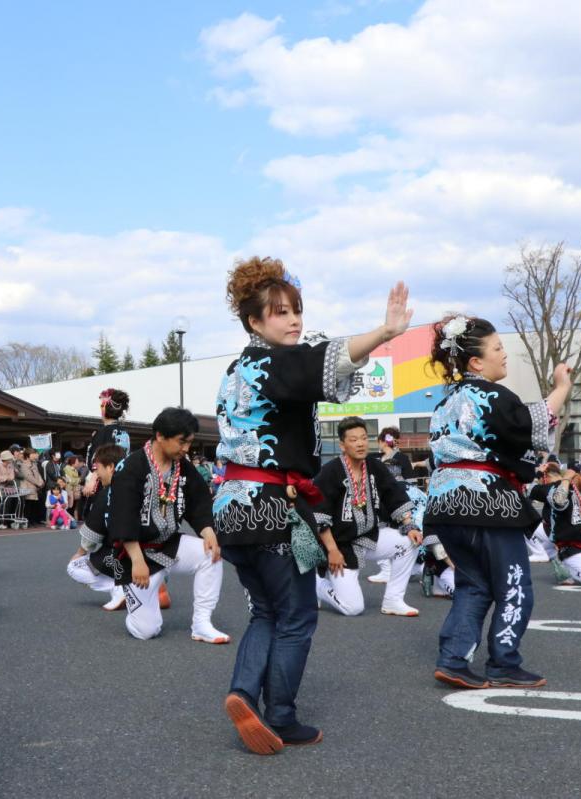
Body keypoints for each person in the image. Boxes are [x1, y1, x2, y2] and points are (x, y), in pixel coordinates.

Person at [213, 256, 412, 755]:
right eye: (280, 312)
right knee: (297, 614)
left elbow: (313, 365)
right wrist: (385, 332)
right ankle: (280, 714)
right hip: (271, 507)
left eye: (296, 310)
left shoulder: (236, 371)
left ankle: (243, 693)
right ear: (254, 322)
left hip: (233, 506)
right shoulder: (269, 363)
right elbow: (328, 359)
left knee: (265, 611)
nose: (294, 320)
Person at [426, 314, 570, 690]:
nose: (504, 355)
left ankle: (454, 659)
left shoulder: (445, 403)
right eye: (497, 348)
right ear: (475, 361)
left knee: (473, 584)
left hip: (445, 502)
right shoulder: (491, 395)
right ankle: (503, 662)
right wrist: (561, 387)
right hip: (486, 502)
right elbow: (529, 425)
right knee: (515, 583)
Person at [106, 407, 228, 644]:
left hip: (168, 544)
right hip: (135, 554)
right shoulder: (131, 468)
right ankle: (134, 601)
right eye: (182, 442)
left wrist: (207, 530)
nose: (186, 449)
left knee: (211, 554)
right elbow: (123, 515)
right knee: (147, 631)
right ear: (160, 436)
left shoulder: (182, 467)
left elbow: (199, 501)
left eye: (189, 442)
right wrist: (138, 560)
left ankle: (202, 623)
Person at [313, 417, 422, 617]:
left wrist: (410, 525)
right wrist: (332, 551)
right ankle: (318, 585)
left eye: (364, 438)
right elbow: (319, 515)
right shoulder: (330, 472)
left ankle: (393, 600)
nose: (360, 443)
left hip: (368, 537)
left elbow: (393, 495)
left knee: (409, 542)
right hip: (340, 546)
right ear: (342, 445)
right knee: (353, 608)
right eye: (353, 440)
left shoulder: (375, 466)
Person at [66, 444, 127, 610]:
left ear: (111, 467)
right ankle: (151, 587)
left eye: (98, 468)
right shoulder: (137, 487)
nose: (97, 474)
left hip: (120, 555)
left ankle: (120, 588)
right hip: (150, 556)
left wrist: (79, 553)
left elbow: (92, 534)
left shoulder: (108, 493)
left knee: (73, 567)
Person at [18, 448, 46, 526]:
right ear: (27, 455)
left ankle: (33, 520)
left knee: (34, 504)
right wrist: (38, 483)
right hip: (27, 487)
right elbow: (28, 476)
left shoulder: (34, 464)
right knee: (28, 504)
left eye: (35, 453)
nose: (35, 455)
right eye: (33, 454)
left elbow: (38, 474)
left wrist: (41, 482)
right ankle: (28, 520)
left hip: (35, 487)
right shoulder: (23, 465)